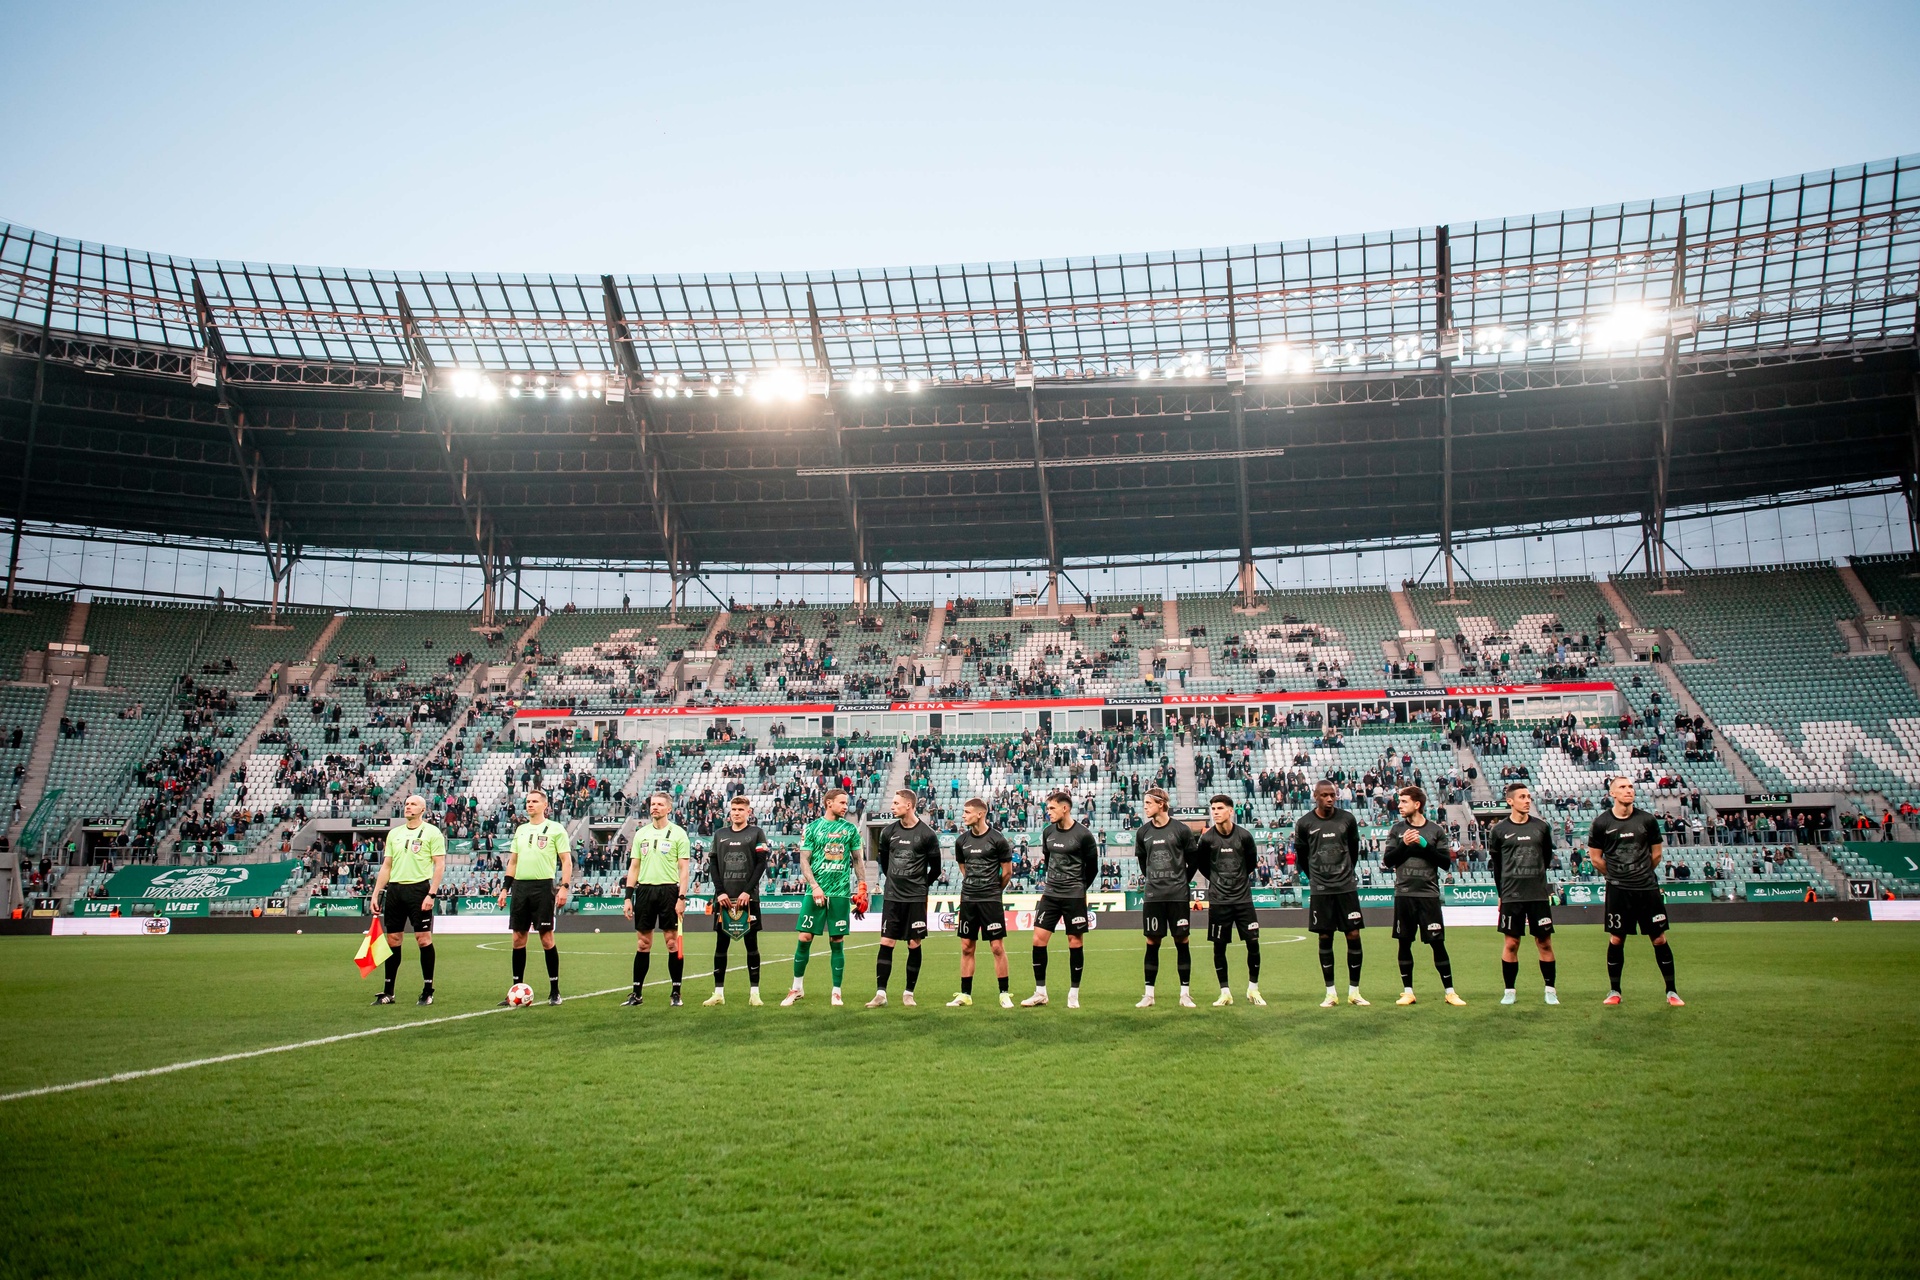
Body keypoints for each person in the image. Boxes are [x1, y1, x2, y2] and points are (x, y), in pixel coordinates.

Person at [1589, 776, 1683, 1006]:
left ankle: (1672, 992)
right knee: (1617, 938)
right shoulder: (1601, 823)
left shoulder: (1647, 820)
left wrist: (1640, 874)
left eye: (1630, 786)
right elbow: (1595, 859)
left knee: (1659, 939)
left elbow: (1657, 854)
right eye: (1622, 787)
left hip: (1647, 888)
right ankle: (1614, 991)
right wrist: (1616, 876)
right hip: (1618, 890)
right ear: (1612, 793)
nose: (1628, 790)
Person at [781, 788, 867, 1007]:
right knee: (804, 938)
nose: (846, 806)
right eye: (842, 803)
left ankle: (836, 991)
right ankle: (796, 988)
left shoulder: (850, 829)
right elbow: (804, 860)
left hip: (839, 892)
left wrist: (862, 887)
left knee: (837, 941)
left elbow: (858, 860)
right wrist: (815, 886)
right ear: (829, 803)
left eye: (846, 803)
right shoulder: (812, 828)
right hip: (815, 891)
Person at [1385, 784, 1464, 1007]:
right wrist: (1404, 844)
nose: (1399, 805)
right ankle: (1408, 991)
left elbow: (1445, 863)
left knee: (1437, 943)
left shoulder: (1435, 831)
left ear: (1417, 804)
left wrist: (1422, 843)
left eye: (1404, 802)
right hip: (1404, 894)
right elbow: (1388, 861)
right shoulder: (1396, 830)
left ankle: (1450, 992)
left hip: (1428, 895)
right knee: (1404, 943)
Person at [1021, 790, 1099, 1008]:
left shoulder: (1083, 835)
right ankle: (1040, 993)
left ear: (1065, 808)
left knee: (1074, 942)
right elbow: (1048, 861)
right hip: (1051, 894)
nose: (1049, 813)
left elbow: (1092, 868)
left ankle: (1073, 994)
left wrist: (1080, 889)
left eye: (1052, 808)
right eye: (1048, 809)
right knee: (1038, 940)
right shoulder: (1048, 833)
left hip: (1074, 895)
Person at [496, 789, 573, 1006]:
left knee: (546, 939)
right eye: (528, 801)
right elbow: (513, 862)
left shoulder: (555, 829)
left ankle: (555, 991)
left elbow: (566, 862)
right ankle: (514, 990)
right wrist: (505, 889)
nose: (529, 805)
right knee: (518, 939)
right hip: (520, 888)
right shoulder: (520, 830)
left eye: (534, 801)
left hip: (542, 888)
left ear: (545, 805)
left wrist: (564, 887)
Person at [1295, 780, 1368, 1007]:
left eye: (1333, 795)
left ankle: (1354, 992)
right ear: (1315, 795)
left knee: (1353, 935)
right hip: (1321, 890)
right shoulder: (1305, 823)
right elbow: (1302, 856)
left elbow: (1354, 852)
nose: (1329, 799)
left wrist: (1344, 873)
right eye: (1324, 795)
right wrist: (1317, 878)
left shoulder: (1347, 819)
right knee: (1325, 936)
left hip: (1346, 887)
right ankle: (1330, 993)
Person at [368, 793, 445, 1006]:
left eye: (413, 804)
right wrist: (377, 892)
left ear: (423, 810)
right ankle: (388, 992)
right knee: (393, 940)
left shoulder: (432, 832)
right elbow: (387, 866)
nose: (408, 807)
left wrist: (432, 893)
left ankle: (428, 990)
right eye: (406, 804)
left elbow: (439, 865)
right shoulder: (394, 833)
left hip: (419, 890)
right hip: (395, 890)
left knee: (423, 938)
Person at [1486, 782, 1559, 1005]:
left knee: (1544, 943)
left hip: (1537, 894)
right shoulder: (1499, 830)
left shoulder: (1541, 827)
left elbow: (1546, 858)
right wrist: (1501, 893)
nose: (1527, 800)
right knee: (1511, 944)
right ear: (1510, 801)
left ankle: (1550, 990)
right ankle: (1510, 991)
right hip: (1511, 895)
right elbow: (1497, 865)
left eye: (1529, 797)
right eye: (1522, 797)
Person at [868, 788, 941, 1008]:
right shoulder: (888, 833)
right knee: (886, 942)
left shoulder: (927, 834)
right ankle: (881, 994)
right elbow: (885, 863)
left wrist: (920, 886)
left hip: (916, 898)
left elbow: (935, 869)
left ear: (908, 805)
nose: (892, 806)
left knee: (913, 943)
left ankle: (908, 993)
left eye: (896, 803)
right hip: (893, 897)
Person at [622, 792, 693, 1008]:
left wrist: (681, 897)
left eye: (660, 805)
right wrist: (628, 896)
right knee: (643, 944)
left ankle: (676, 992)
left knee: (672, 943)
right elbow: (634, 867)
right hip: (644, 892)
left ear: (669, 809)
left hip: (669, 892)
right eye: (653, 804)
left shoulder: (678, 834)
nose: (655, 808)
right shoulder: (641, 834)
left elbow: (684, 869)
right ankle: (636, 993)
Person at [1196, 794, 1264, 1007]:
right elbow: (1203, 866)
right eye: (1213, 808)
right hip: (1219, 901)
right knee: (1219, 947)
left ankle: (1253, 989)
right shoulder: (1207, 839)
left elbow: (1251, 864)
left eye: (1219, 808)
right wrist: (1219, 881)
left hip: (1243, 900)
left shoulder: (1244, 836)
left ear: (1231, 811)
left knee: (1253, 944)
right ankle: (1225, 992)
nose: (1215, 812)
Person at [1134, 786, 1199, 1008]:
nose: (1145, 807)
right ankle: (1149, 995)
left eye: (1148, 804)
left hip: (1177, 896)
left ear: (1161, 804)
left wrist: (1181, 881)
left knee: (1182, 941)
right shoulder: (1143, 833)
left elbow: (1194, 860)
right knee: (1152, 941)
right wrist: (1155, 880)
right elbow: (1143, 864)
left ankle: (1185, 994)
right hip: (1154, 896)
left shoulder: (1181, 830)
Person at [948, 797, 1014, 1008]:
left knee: (996, 947)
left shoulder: (998, 840)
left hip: (990, 900)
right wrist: (974, 887)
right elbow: (963, 868)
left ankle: (1004, 993)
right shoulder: (961, 841)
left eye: (967, 812)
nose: (963, 815)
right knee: (967, 947)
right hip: (968, 899)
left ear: (980, 814)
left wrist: (992, 890)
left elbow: (1007, 872)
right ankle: (965, 994)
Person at [704, 795, 768, 1006]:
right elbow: (713, 865)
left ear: (749, 812)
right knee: (720, 946)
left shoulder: (756, 833)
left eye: (741, 809)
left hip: (749, 899)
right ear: (729, 811)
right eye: (733, 809)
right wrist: (719, 892)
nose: (736, 812)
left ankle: (755, 993)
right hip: (724, 898)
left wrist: (748, 891)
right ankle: (718, 993)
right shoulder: (719, 834)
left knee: (752, 945)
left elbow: (761, 864)